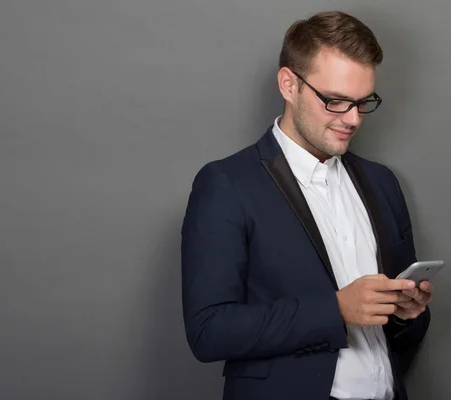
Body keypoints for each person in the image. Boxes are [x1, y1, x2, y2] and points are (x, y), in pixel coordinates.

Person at [181, 10, 432, 400]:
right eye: (335, 101)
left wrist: (407, 313)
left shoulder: (383, 183)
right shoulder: (227, 184)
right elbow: (208, 331)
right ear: (288, 84)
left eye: (363, 102)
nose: (353, 119)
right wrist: (335, 310)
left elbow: (399, 336)